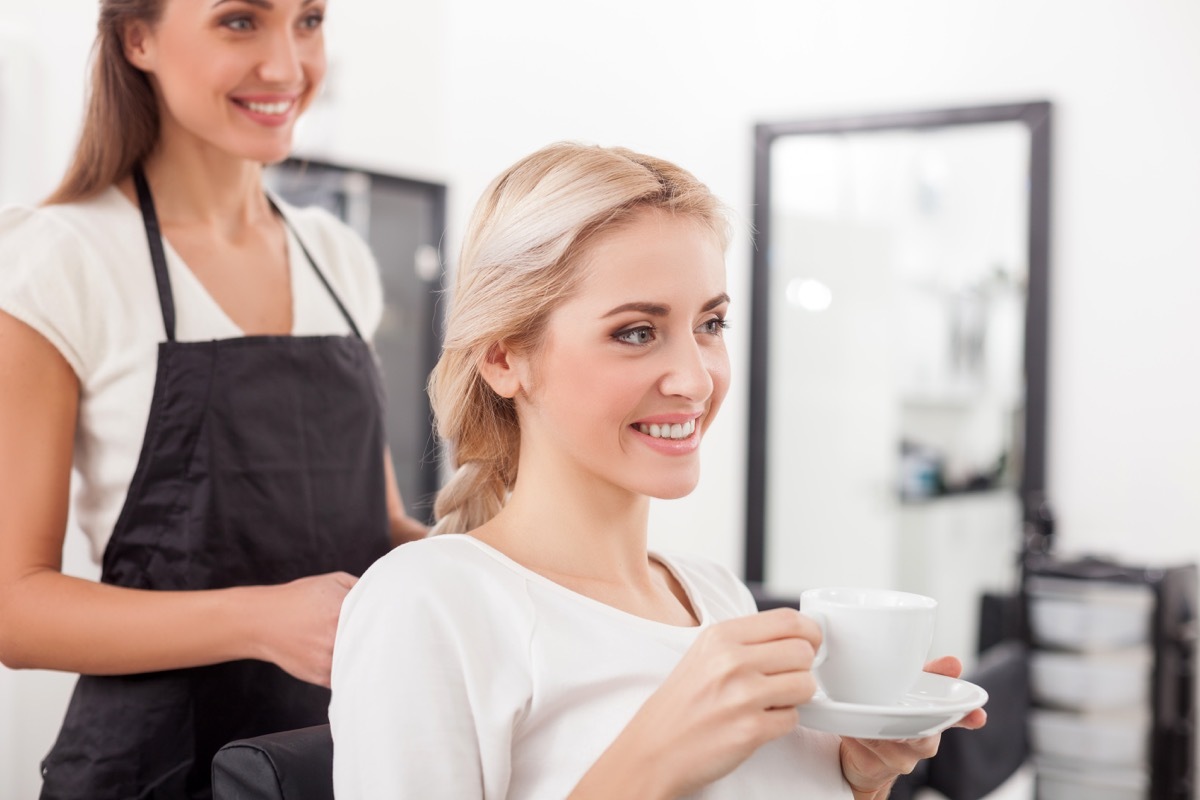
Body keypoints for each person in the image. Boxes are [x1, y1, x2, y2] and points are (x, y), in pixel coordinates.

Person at [329, 142, 986, 799]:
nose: (697, 379)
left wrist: (860, 780)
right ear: (505, 358)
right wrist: (653, 759)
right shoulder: (426, 604)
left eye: (711, 323)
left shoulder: (716, 596)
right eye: (637, 332)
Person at [0, 1, 427, 797]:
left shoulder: (337, 257)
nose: (287, 66)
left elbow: (379, 525)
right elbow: (14, 611)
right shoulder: (58, 258)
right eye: (240, 21)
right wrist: (264, 620)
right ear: (138, 38)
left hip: (332, 752)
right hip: (155, 768)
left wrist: (495, 552)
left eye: (308, 20)